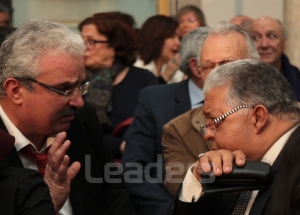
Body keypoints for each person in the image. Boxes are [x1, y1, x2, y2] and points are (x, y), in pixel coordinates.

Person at [0, 19, 131, 215]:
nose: (78, 102)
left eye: (81, 87)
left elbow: (114, 196)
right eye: (64, 89)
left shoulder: (80, 119)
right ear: (16, 90)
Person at [171, 59, 300, 214]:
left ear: (258, 118)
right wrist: (198, 181)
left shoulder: (295, 167)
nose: (207, 134)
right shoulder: (230, 165)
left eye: (214, 121)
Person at [162, 21, 260, 196]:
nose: (216, 75)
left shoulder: (289, 119)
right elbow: (181, 188)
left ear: (254, 67)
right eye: (208, 67)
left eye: (227, 65)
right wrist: (198, 173)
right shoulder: (179, 130)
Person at [122, 26, 210, 215]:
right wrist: (172, 210)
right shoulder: (155, 100)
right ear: (197, 67)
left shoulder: (249, 103)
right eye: (228, 63)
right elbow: (134, 169)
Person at [79, 13, 157, 159]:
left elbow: (152, 129)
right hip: (85, 160)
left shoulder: (143, 79)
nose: (84, 48)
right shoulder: (77, 80)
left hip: (135, 163)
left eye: (91, 42)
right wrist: (118, 145)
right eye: (81, 41)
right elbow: (77, 132)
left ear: (114, 47)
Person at [249, 16, 300, 101]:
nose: (264, 45)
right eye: (256, 38)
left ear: (284, 42)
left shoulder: (296, 77)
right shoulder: (238, 81)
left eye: (271, 36)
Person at [134, 15, 184, 84]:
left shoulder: (176, 70)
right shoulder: (137, 69)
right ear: (156, 38)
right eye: (172, 37)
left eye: (179, 38)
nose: (178, 43)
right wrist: (165, 77)